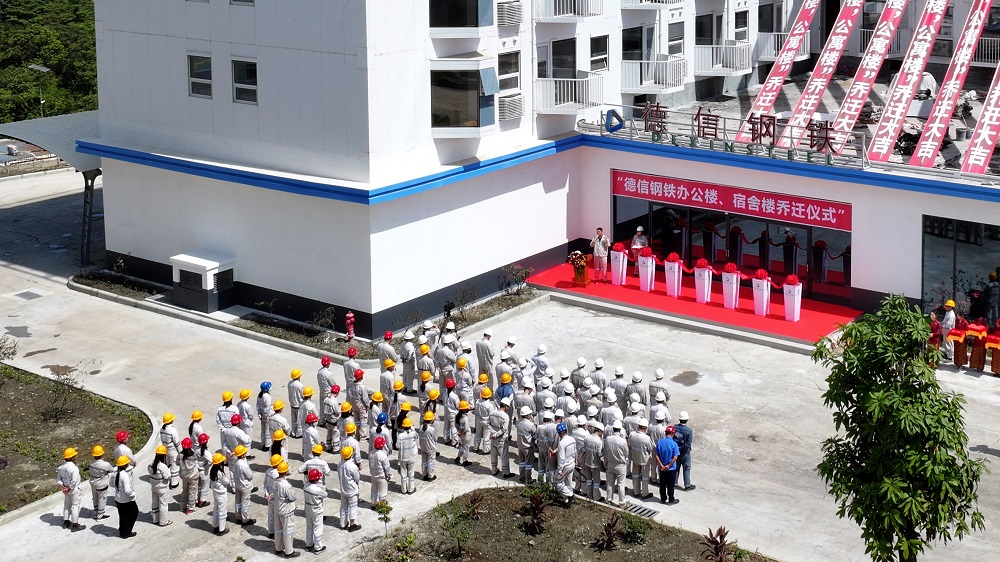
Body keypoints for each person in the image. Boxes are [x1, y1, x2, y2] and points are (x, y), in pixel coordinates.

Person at [273, 461, 301, 557]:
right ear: (285, 472)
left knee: (278, 530)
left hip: (277, 509)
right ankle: (289, 551)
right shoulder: (286, 485)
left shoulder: (275, 482)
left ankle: (278, 548)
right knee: (288, 531)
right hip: (286, 511)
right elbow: (292, 497)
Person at [57, 448, 85, 531]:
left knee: (67, 505)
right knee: (75, 506)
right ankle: (75, 525)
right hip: (74, 489)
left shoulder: (60, 468)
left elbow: (58, 479)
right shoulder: (74, 468)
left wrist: (64, 487)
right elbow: (74, 481)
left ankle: (66, 521)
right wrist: (69, 488)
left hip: (66, 489)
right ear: (72, 458)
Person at [604, 420, 629, 508]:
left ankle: (609, 500)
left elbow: (606, 452)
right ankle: (622, 502)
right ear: (620, 429)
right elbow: (626, 453)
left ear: (613, 429)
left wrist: (605, 463)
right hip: (620, 465)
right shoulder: (623, 441)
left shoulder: (608, 439)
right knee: (621, 484)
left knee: (610, 483)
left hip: (610, 464)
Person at [628, 418, 655, 499]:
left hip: (635, 459)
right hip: (644, 460)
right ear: (645, 428)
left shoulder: (632, 435)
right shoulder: (646, 438)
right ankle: (644, 493)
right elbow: (651, 448)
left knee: (635, 475)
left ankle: (636, 491)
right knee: (645, 477)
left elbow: (629, 444)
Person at [113, 455, 139, 538]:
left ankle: (123, 531)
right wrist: (132, 494)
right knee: (134, 512)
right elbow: (127, 490)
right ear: (126, 465)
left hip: (118, 498)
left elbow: (111, 484)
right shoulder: (124, 475)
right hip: (126, 499)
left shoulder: (115, 473)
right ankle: (127, 531)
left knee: (123, 515)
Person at [552, 423, 577, 507]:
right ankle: (567, 501)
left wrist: (559, 470)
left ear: (560, 433)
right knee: (568, 482)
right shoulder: (572, 439)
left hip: (565, 466)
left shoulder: (562, 442)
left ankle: (570, 495)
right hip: (572, 464)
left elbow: (561, 458)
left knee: (556, 481)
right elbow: (575, 451)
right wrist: (555, 451)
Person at [147, 445, 172, 527]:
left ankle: (155, 519)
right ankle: (163, 521)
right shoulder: (162, 466)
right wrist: (168, 469)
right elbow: (168, 477)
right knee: (163, 504)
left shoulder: (151, 464)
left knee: (155, 503)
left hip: (154, 487)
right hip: (162, 488)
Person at [338, 447, 362, 532]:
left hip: (343, 488)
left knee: (343, 506)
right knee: (353, 506)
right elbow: (357, 478)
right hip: (351, 489)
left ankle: (343, 523)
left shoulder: (340, 464)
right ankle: (352, 525)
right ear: (351, 455)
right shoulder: (352, 466)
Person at [655, 426, 681, 505]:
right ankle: (671, 499)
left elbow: (656, 455)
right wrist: (668, 466)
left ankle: (663, 498)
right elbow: (675, 457)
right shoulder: (674, 444)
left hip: (662, 468)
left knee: (662, 484)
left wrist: (661, 465)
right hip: (671, 469)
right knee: (670, 484)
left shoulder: (660, 442)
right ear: (672, 433)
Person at [303, 469, 327, 554]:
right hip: (316, 510)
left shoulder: (305, 486)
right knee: (317, 528)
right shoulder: (317, 489)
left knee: (309, 527)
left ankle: (309, 544)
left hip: (308, 508)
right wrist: (322, 487)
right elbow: (325, 494)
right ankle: (318, 547)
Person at [232, 445, 256, 527]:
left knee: (238, 502)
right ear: (242, 455)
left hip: (237, 484)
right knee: (245, 503)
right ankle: (245, 519)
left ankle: (238, 517)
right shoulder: (243, 465)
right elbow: (250, 476)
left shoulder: (235, 462)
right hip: (245, 486)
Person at [490, 397, 513, 477]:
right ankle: (506, 472)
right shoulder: (505, 416)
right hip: (501, 439)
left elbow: (488, 424)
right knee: (504, 456)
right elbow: (504, 429)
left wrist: (493, 434)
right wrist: (496, 435)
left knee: (493, 454)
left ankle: (494, 470)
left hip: (492, 438)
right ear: (506, 406)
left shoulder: (492, 413)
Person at [88, 445, 113, 520]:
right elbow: (111, 470)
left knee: (95, 498)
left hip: (93, 482)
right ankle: (100, 515)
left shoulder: (91, 462)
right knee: (102, 499)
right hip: (102, 484)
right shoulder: (105, 464)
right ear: (102, 454)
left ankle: (95, 512)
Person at [581, 421, 605, 501]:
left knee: (588, 480)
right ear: (600, 432)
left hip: (587, 463)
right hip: (595, 465)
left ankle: (589, 495)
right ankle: (596, 497)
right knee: (596, 482)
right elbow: (599, 454)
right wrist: (604, 454)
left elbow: (583, 449)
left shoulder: (587, 438)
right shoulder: (599, 442)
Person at [159, 412, 181, 488]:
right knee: (174, 466)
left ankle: (168, 479)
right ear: (171, 420)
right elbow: (177, 442)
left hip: (165, 450)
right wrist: (180, 452)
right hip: (173, 451)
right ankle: (174, 483)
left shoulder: (162, 429)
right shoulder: (173, 430)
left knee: (168, 465)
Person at [178, 438, 201, 514]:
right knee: (192, 491)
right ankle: (190, 509)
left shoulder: (180, 455)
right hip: (193, 476)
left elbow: (177, 463)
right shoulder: (193, 455)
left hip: (184, 476)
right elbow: (197, 459)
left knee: (184, 490)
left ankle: (183, 507)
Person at [674, 412, 695, 492]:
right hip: (685, 453)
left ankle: (674, 483)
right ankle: (687, 485)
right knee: (686, 468)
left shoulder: (675, 428)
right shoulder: (688, 431)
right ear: (687, 420)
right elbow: (688, 443)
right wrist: (681, 448)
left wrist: (677, 449)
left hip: (676, 452)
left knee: (676, 468)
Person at [397, 417, 419, 494]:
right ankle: (411, 489)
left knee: (403, 473)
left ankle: (403, 489)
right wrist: (413, 429)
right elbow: (417, 436)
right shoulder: (413, 434)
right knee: (411, 473)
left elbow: (397, 446)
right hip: (412, 457)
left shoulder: (400, 436)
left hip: (403, 457)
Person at [515, 406, 536, 484]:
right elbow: (535, 435)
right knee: (528, 464)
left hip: (520, 446)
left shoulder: (518, 422)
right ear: (527, 415)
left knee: (522, 462)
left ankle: (521, 477)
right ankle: (528, 479)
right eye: (530, 414)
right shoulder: (530, 424)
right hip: (528, 447)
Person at [264, 454, 283, 540]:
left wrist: (267, 494)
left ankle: (270, 532)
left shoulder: (268, 471)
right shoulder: (277, 474)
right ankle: (277, 533)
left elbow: (265, 484)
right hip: (275, 497)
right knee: (277, 516)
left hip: (269, 496)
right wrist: (271, 496)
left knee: (270, 515)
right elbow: (277, 488)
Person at [369, 436, 392, 504]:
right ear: (382, 446)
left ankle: (373, 504)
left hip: (373, 475)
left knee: (374, 491)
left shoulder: (371, 454)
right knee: (383, 492)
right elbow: (387, 467)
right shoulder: (383, 455)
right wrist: (389, 475)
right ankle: (382, 505)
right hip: (381, 476)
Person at [348, 369, 370, 439]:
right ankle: (363, 435)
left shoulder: (352, 385)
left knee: (357, 420)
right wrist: (368, 405)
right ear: (361, 377)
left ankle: (357, 433)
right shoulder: (362, 387)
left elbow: (350, 396)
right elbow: (365, 398)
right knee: (363, 421)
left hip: (354, 405)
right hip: (361, 406)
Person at [418, 412, 438, 481]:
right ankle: (430, 476)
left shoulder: (421, 427)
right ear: (431, 420)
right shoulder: (431, 429)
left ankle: (424, 475)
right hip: (430, 448)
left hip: (423, 447)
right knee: (431, 462)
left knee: (424, 462)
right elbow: (435, 438)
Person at [322, 384, 342, 452]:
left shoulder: (326, 399)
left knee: (329, 433)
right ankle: (336, 448)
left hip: (328, 420)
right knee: (335, 434)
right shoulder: (334, 402)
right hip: (334, 421)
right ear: (337, 392)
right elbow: (337, 411)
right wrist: (340, 407)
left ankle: (328, 446)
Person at [236, 389, 256, 455]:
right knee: (248, 439)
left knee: (242, 438)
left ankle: (241, 451)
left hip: (240, 423)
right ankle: (247, 454)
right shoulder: (247, 406)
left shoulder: (239, 404)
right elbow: (251, 415)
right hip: (247, 424)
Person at [256, 382, 274, 451]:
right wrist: (266, 416)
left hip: (262, 415)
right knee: (267, 431)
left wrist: (260, 414)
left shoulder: (259, 395)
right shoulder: (267, 397)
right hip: (267, 416)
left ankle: (263, 443)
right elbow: (267, 407)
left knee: (263, 430)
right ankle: (267, 445)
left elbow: (258, 406)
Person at [196, 433, 212, 508]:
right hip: (204, 472)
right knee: (205, 487)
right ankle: (202, 501)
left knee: (198, 486)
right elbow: (211, 461)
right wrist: (206, 466)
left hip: (197, 470)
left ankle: (197, 499)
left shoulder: (196, 450)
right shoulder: (206, 452)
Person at [288, 369, 305, 438]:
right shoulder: (300, 385)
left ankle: (294, 432)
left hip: (292, 404)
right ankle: (299, 433)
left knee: (294, 420)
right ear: (298, 376)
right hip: (299, 404)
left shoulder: (289, 383)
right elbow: (303, 395)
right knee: (299, 420)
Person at [455, 400, 473, 466]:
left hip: (460, 434)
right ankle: (464, 461)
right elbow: (466, 428)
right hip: (466, 435)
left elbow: (456, 425)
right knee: (466, 448)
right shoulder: (465, 417)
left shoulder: (457, 416)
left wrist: (459, 432)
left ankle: (458, 457)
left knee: (462, 446)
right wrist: (462, 433)